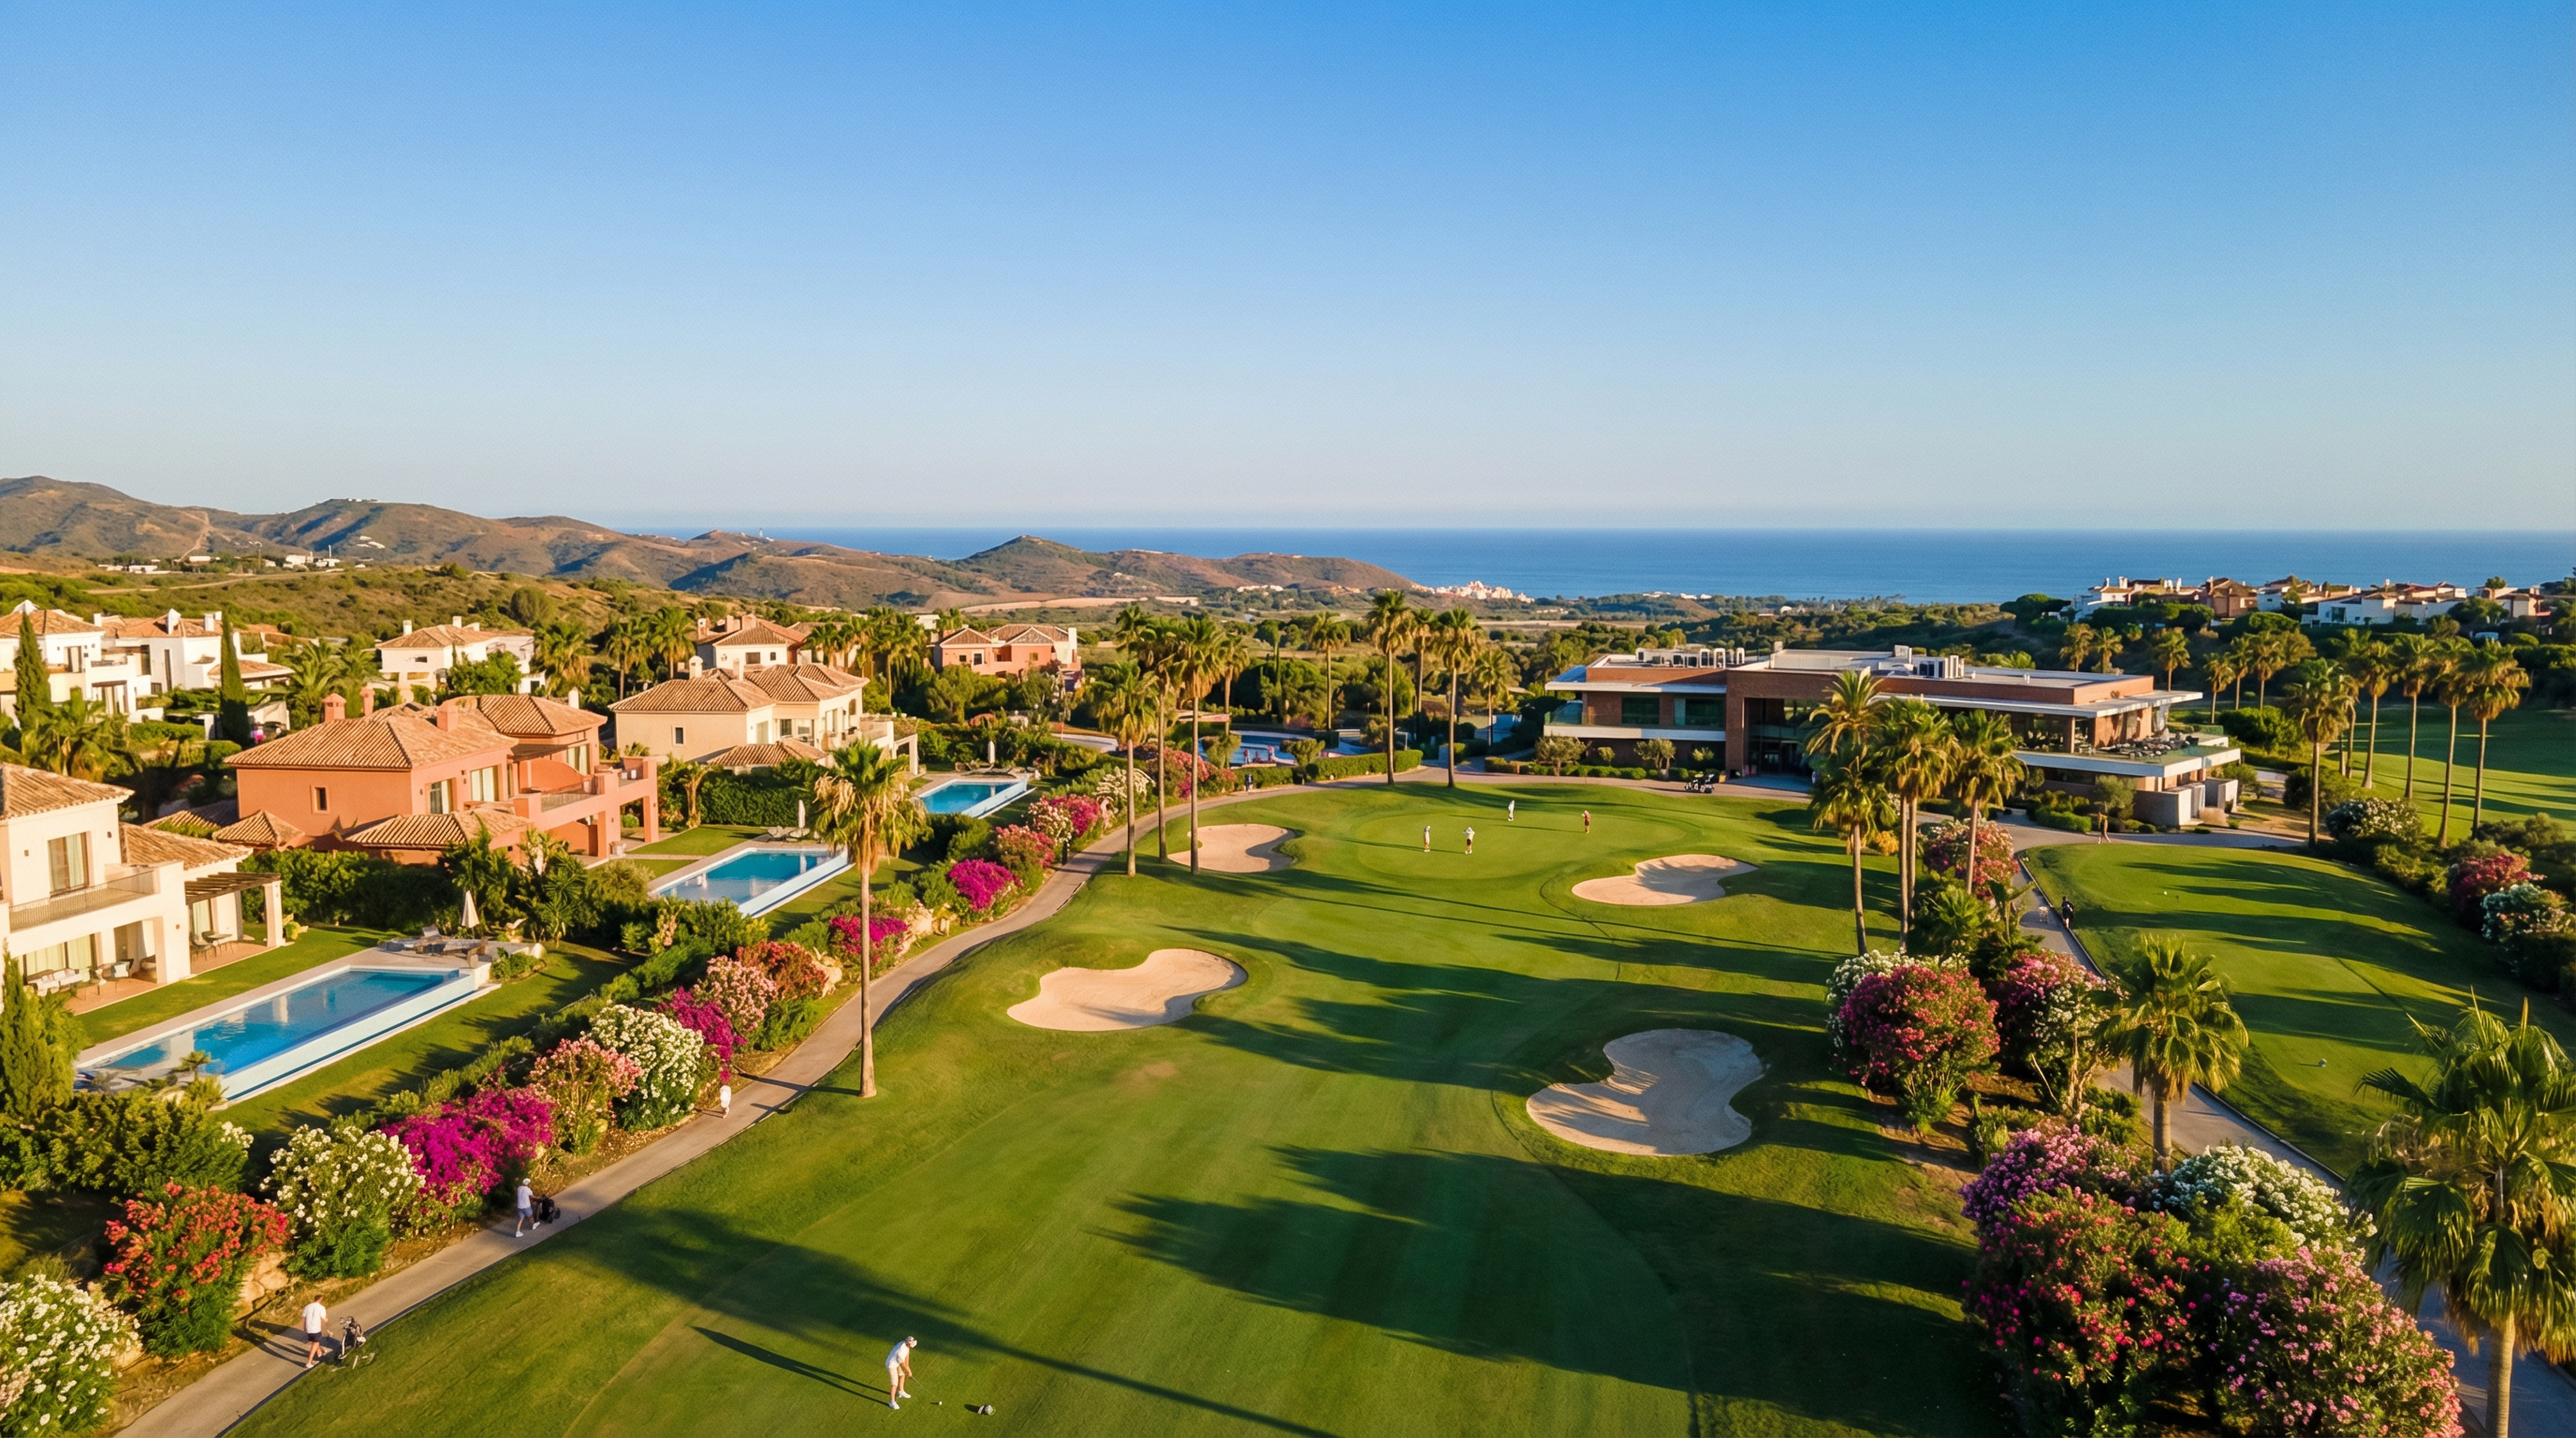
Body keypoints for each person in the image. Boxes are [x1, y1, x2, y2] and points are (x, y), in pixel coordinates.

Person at [886, 1336, 917, 1409]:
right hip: (891, 1365)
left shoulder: (904, 1343)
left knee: (902, 1375)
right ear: (908, 1343)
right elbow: (903, 1364)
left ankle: (901, 1392)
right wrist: (909, 1371)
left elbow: (907, 1358)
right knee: (894, 1384)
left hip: (895, 1362)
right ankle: (892, 1402)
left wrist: (908, 1369)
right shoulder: (901, 1352)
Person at [301, 1298, 328, 1369]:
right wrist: (327, 1325)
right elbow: (324, 1318)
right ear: (320, 1300)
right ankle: (309, 1362)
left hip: (309, 1328)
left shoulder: (307, 1307)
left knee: (315, 1341)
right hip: (316, 1328)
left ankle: (319, 1353)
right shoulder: (321, 1307)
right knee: (315, 1343)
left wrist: (304, 1327)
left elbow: (304, 1318)